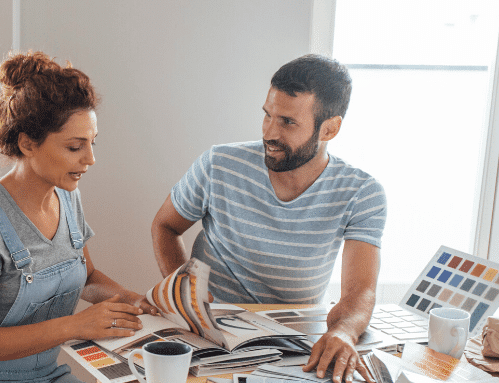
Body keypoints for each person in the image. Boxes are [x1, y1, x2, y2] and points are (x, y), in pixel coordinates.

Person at [152, 54, 386, 383]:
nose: (269, 132)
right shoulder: (219, 163)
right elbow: (164, 226)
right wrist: (182, 293)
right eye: (267, 116)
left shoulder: (362, 192)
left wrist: (346, 331)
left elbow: (360, 291)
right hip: (208, 331)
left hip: (291, 342)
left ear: (329, 129)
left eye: (288, 122)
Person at [0, 51, 157, 383]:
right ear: (27, 143)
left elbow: (88, 275)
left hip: (46, 373)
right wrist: (75, 325)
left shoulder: (68, 197)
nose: (91, 159)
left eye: (92, 143)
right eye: (74, 147)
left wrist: (139, 300)